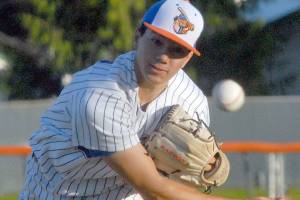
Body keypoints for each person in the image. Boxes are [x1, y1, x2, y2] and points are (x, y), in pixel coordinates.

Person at [19, 0, 272, 199]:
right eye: (157, 41)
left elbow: (172, 188)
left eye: (177, 50)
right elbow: (153, 189)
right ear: (139, 36)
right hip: (56, 193)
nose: (163, 56)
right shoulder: (99, 95)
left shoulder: (191, 101)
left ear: (188, 58)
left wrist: (201, 171)